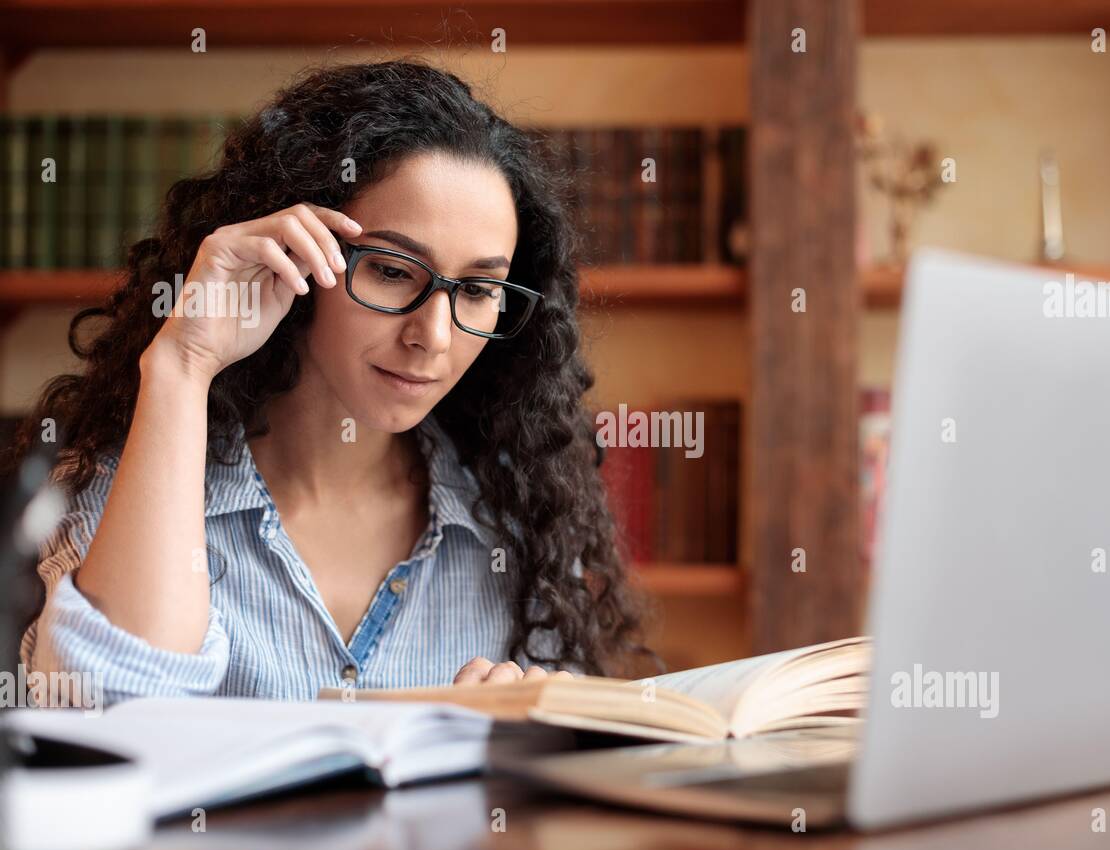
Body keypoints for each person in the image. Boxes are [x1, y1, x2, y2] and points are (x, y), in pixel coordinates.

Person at [5, 59, 649, 706]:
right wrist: (181, 364)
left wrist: (519, 750)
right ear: (294, 253)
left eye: (478, 289)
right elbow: (112, 718)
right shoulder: (122, 488)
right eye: (394, 271)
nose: (434, 336)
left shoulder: (519, 515)